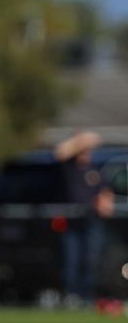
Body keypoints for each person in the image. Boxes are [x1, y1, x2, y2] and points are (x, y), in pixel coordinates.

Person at [53, 131, 114, 307]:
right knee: (71, 259)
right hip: (72, 221)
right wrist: (80, 140)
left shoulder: (94, 170)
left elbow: (105, 192)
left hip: (91, 221)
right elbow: (60, 153)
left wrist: (105, 201)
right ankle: (71, 296)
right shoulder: (70, 167)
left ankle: (87, 296)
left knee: (91, 259)